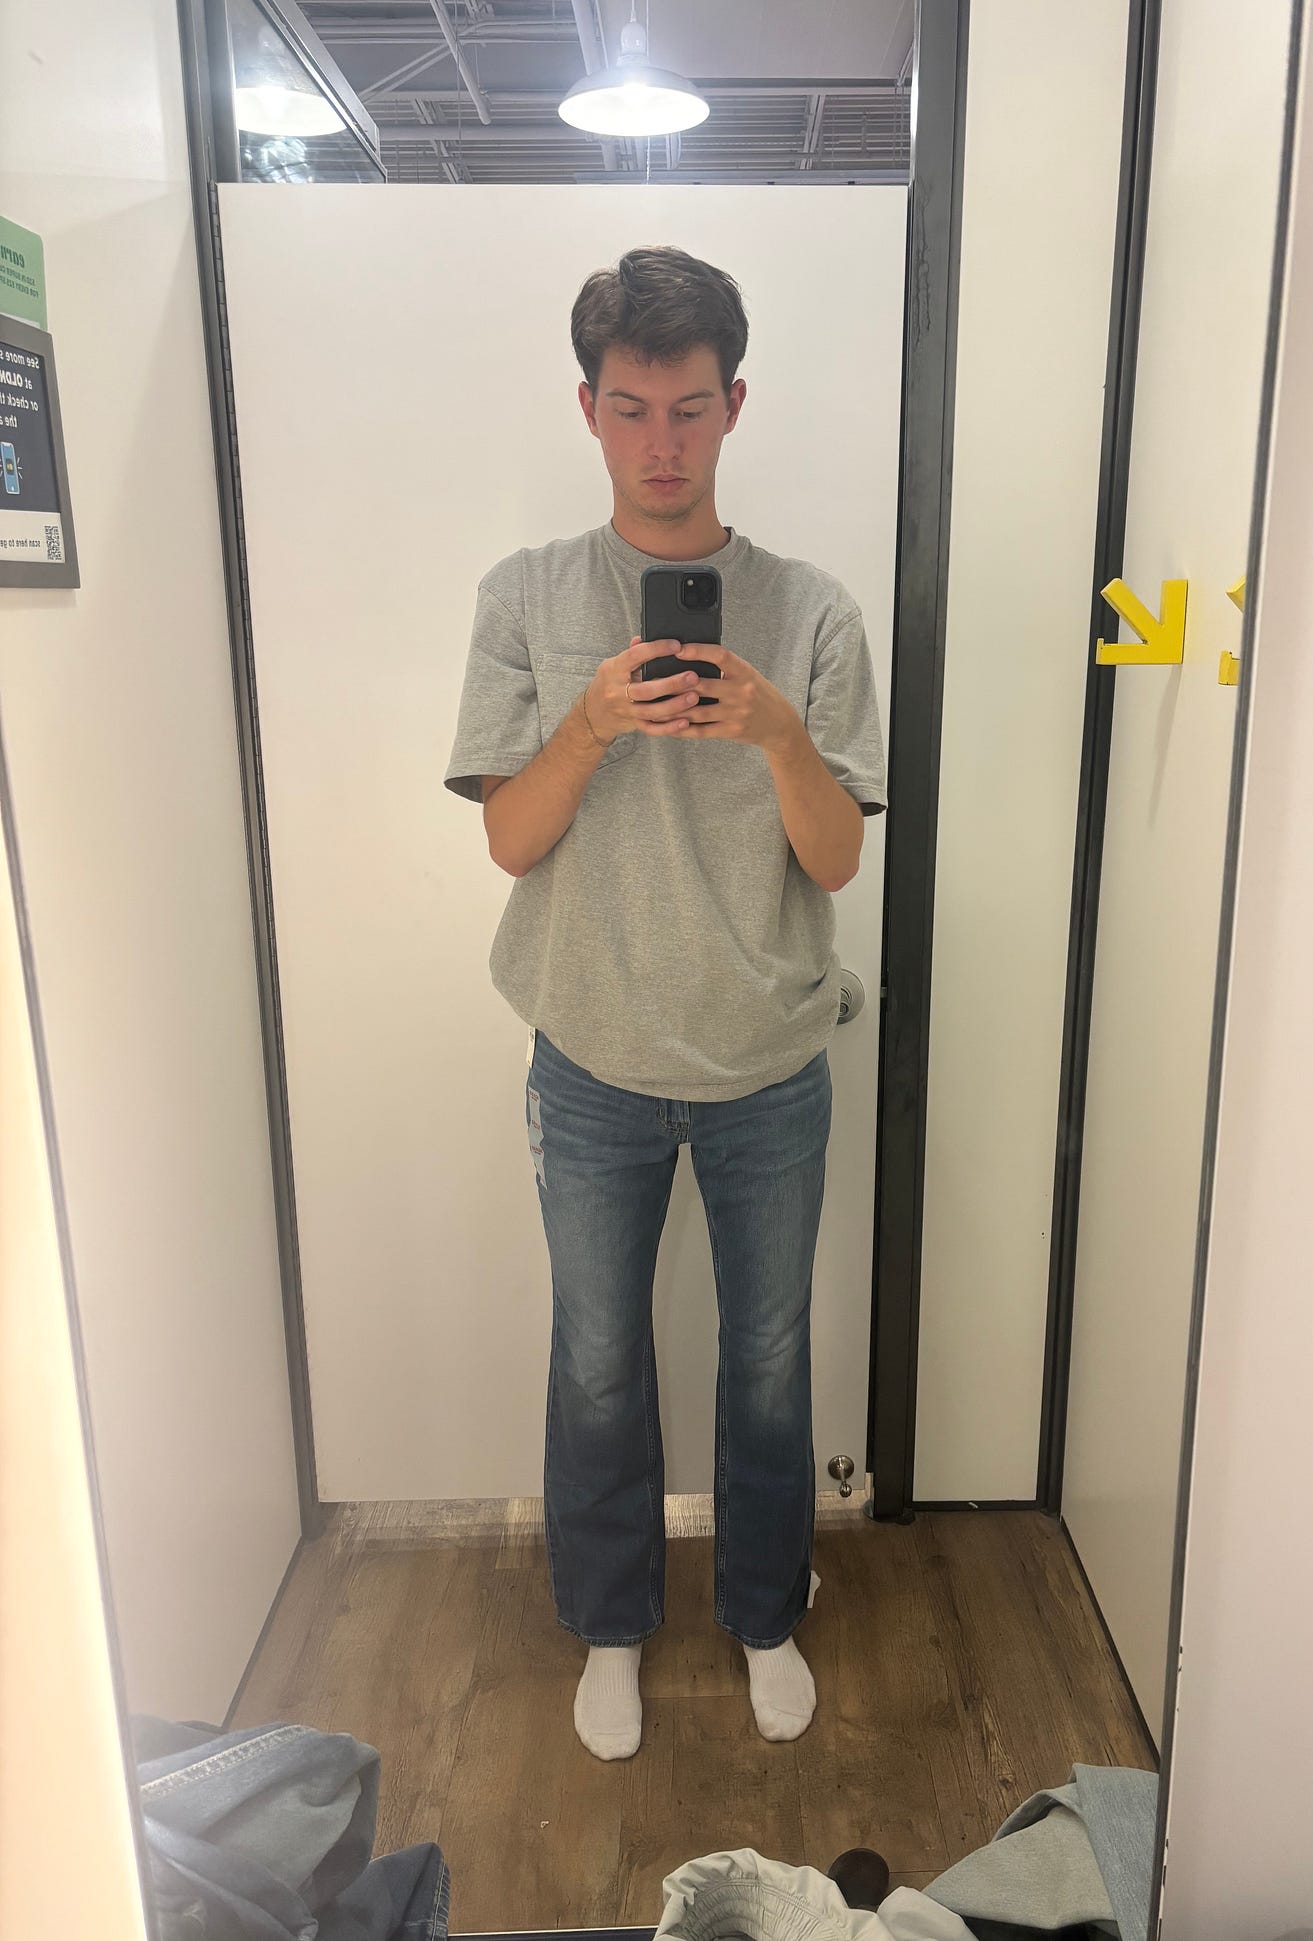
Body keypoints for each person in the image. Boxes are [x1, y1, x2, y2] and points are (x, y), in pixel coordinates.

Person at [444, 245, 887, 1761]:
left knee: (768, 1354)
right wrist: (587, 723)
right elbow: (510, 839)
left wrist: (774, 731)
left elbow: (835, 857)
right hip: (590, 1050)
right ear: (588, 408)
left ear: (734, 404)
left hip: (770, 1054)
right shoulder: (524, 595)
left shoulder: (812, 612)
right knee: (595, 1356)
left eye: (690, 408)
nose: (661, 444)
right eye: (630, 409)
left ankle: (763, 1611)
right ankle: (613, 1624)